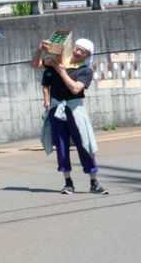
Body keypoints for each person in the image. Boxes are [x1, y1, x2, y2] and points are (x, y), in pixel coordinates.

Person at [40, 36, 106, 195]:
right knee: (61, 145)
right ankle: (68, 182)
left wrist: (61, 71)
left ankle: (94, 181)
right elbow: (36, 64)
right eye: (76, 48)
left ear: (87, 55)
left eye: (81, 51)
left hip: (75, 109)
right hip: (57, 109)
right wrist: (40, 49)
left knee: (84, 143)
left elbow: (75, 89)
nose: (76, 52)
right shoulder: (59, 64)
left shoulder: (85, 71)